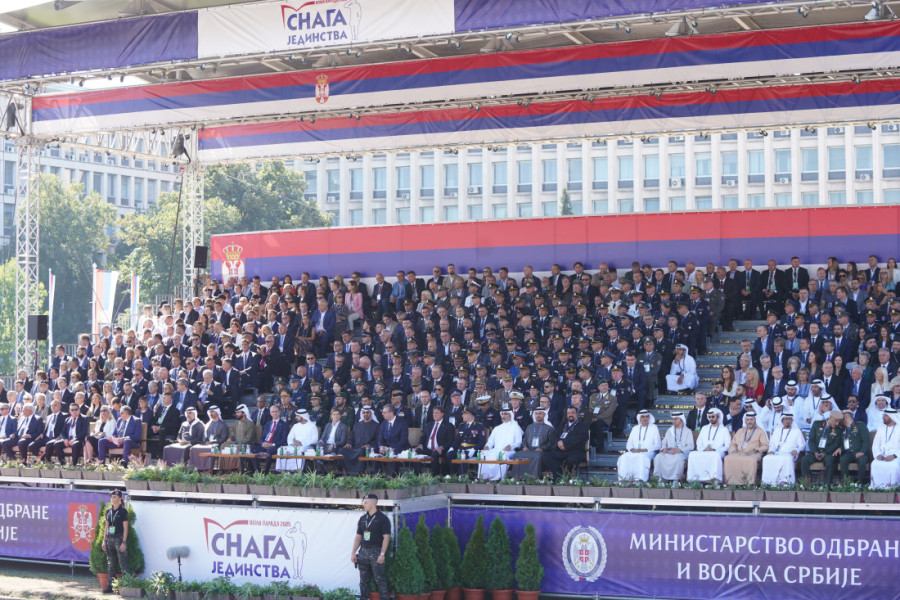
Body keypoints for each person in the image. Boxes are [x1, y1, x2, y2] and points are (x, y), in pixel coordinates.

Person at [351, 493, 391, 600]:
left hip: (376, 552)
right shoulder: (363, 518)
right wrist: (353, 552)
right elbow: (358, 537)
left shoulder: (383, 519)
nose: (363, 504)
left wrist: (382, 554)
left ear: (373, 503)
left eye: (366, 502)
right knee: (363, 580)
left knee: (380, 580)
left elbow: (386, 538)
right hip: (363, 552)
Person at [723, 411, 769, 485]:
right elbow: (733, 444)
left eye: (751, 420)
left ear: (755, 420)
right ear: (745, 421)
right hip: (738, 452)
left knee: (750, 460)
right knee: (728, 458)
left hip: (753, 453)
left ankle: (749, 483)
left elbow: (765, 445)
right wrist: (733, 450)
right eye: (747, 420)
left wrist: (755, 450)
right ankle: (730, 482)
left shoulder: (760, 431)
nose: (749, 422)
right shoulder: (740, 431)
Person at [511, 407, 557, 479]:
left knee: (537, 457)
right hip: (528, 450)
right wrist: (525, 446)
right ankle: (517, 478)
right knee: (516, 455)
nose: (538, 415)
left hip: (541, 451)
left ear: (544, 415)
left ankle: (534, 478)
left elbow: (552, 443)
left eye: (540, 414)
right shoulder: (529, 427)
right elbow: (524, 439)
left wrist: (542, 448)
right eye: (536, 414)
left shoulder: (549, 428)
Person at [542, 406, 589, 477]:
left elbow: (579, 439)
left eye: (573, 413)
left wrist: (565, 444)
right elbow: (553, 436)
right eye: (569, 413)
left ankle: (567, 478)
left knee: (571, 460)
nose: (570, 414)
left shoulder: (582, 426)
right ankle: (559, 477)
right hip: (560, 451)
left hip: (575, 451)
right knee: (546, 457)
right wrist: (558, 443)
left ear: (577, 414)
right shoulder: (562, 425)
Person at [687, 408, 730, 482]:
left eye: (713, 417)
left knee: (715, 455)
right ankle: (695, 479)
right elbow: (699, 442)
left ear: (718, 417)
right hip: (704, 450)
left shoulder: (724, 430)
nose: (711, 419)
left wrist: (714, 450)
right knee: (692, 454)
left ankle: (715, 480)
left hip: (717, 452)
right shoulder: (704, 428)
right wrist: (704, 449)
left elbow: (728, 445)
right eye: (709, 417)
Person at [761, 412, 805, 485]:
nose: (788, 421)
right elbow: (772, 444)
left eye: (789, 419)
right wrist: (771, 450)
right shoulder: (777, 431)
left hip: (790, 453)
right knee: (766, 458)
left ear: (792, 421)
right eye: (786, 419)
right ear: (782, 421)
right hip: (777, 453)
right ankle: (768, 482)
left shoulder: (796, 431)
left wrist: (796, 450)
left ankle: (786, 483)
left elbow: (802, 445)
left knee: (787, 459)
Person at [479, 409, 524, 480]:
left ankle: (499, 478)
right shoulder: (497, 428)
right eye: (502, 414)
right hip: (496, 449)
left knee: (503, 455)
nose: (503, 416)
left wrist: (511, 446)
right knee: (483, 453)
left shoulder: (516, 427)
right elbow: (491, 441)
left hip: (509, 451)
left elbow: (518, 442)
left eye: (505, 414)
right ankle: (484, 477)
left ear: (511, 415)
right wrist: (487, 446)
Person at [800, 410, 843, 485]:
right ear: (830, 417)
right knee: (805, 460)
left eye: (838, 422)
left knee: (830, 460)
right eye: (835, 421)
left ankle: (827, 483)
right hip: (816, 452)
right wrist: (815, 452)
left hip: (828, 453)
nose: (837, 423)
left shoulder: (838, 430)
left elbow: (836, 444)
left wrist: (825, 453)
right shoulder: (817, 424)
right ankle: (805, 482)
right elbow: (811, 440)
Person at [618, 409, 661, 482]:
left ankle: (640, 479)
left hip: (648, 452)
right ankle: (624, 479)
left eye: (647, 417)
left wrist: (643, 450)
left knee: (641, 457)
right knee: (623, 457)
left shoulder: (654, 428)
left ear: (649, 418)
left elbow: (658, 445)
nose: (645, 418)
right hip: (634, 451)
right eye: (643, 417)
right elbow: (629, 444)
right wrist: (632, 449)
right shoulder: (635, 428)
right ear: (639, 418)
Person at [652, 412, 694, 481]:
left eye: (676, 419)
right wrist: (664, 448)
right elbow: (664, 442)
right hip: (669, 451)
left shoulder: (688, 431)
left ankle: (676, 479)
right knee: (658, 457)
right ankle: (659, 479)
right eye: (673, 419)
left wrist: (679, 450)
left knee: (678, 458)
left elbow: (691, 446)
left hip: (681, 453)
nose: (673, 421)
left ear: (681, 420)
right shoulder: (670, 430)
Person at [102, 490, 130, 594]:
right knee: (111, 564)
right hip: (109, 538)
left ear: (120, 498)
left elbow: (125, 528)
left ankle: (126, 586)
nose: (112, 499)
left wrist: (124, 542)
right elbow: (106, 527)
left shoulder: (123, 511)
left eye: (114, 497)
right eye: (111, 497)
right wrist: (104, 541)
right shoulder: (108, 511)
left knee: (123, 563)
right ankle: (110, 587)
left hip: (119, 538)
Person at [415, 405, 455, 476]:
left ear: (442, 414)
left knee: (435, 454)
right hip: (428, 449)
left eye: (437, 413)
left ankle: (434, 476)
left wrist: (442, 447)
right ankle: (417, 475)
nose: (434, 415)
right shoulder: (429, 425)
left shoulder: (448, 426)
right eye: (433, 413)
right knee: (417, 451)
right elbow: (423, 437)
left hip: (440, 450)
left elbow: (450, 441)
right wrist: (420, 444)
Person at [340, 406, 380, 474]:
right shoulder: (357, 425)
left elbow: (378, 439)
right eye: (364, 413)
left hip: (366, 448)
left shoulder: (376, 425)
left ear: (371, 413)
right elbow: (351, 438)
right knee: (342, 450)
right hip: (355, 447)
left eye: (367, 413)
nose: (365, 414)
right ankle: (345, 473)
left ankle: (361, 473)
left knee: (362, 450)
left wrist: (369, 445)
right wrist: (349, 443)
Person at [190, 406, 231, 471]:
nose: (211, 413)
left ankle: (208, 469)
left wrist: (212, 442)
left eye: (212, 412)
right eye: (210, 412)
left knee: (210, 449)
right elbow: (204, 436)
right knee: (194, 448)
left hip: (217, 445)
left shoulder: (223, 425)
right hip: (207, 444)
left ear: (217, 412)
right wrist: (206, 440)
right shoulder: (208, 424)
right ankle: (195, 468)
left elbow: (223, 439)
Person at [251, 405, 288, 474]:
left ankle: (266, 472)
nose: (274, 413)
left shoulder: (284, 424)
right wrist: (262, 443)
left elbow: (284, 439)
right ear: (270, 413)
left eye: (276, 412)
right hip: (266, 444)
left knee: (269, 450)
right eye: (272, 412)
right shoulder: (267, 424)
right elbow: (262, 437)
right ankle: (258, 471)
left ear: (279, 412)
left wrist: (272, 444)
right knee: (252, 449)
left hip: (276, 445)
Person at [870, 408, 900, 489]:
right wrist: (878, 454)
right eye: (884, 415)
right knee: (874, 464)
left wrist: (894, 456)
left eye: (886, 415)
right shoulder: (881, 428)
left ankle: (893, 488)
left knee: (894, 466)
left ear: (892, 417)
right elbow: (875, 445)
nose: (883, 417)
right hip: (882, 455)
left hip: (896, 456)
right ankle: (876, 488)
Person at [838, 409, 870, 485]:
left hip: (861, 452)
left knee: (862, 461)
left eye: (841, 418)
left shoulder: (860, 425)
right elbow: (843, 444)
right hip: (849, 453)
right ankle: (846, 482)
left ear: (846, 417)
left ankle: (860, 483)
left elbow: (866, 440)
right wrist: (840, 449)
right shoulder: (843, 429)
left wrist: (862, 451)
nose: (840, 421)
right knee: (843, 459)